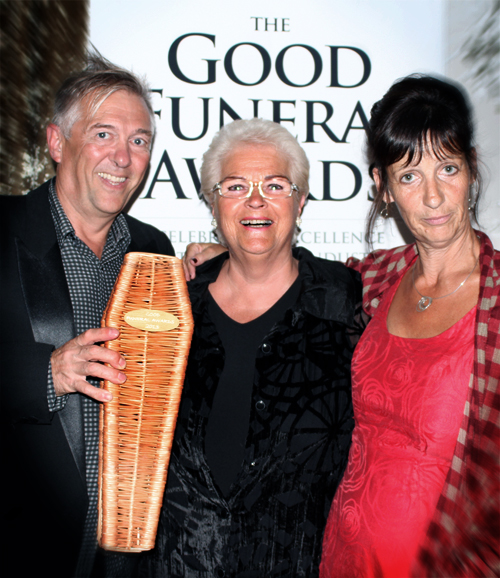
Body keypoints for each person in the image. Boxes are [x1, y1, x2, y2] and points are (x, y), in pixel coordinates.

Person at [183, 76, 500, 577]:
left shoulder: (496, 300)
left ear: (472, 169)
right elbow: (292, 270)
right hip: (339, 560)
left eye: (448, 168)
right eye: (410, 176)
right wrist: (234, 251)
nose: (434, 197)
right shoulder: (374, 281)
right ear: (383, 187)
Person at [141, 118, 364, 578]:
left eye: (275, 185)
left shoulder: (348, 304)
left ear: (301, 201)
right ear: (212, 202)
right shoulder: (171, 309)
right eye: (236, 186)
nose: (256, 200)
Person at [0, 54, 174, 578]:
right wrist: (45, 373)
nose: (123, 157)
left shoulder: (155, 251)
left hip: (126, 556)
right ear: (57, 143)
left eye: (139, 140)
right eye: (103, 134)